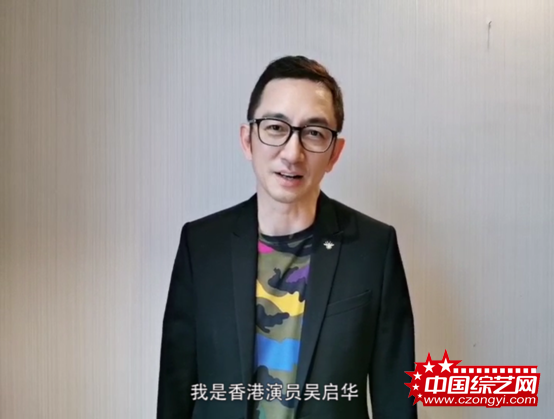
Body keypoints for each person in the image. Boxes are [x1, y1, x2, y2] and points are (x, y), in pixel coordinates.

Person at [157, 55, 417, 419]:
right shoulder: (201, 245)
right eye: (276, 127)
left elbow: (396, 399)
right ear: (247, 140)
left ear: (334, 153)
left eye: (314, 133)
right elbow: (176, 388)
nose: (293, 153)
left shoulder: (374, 248)